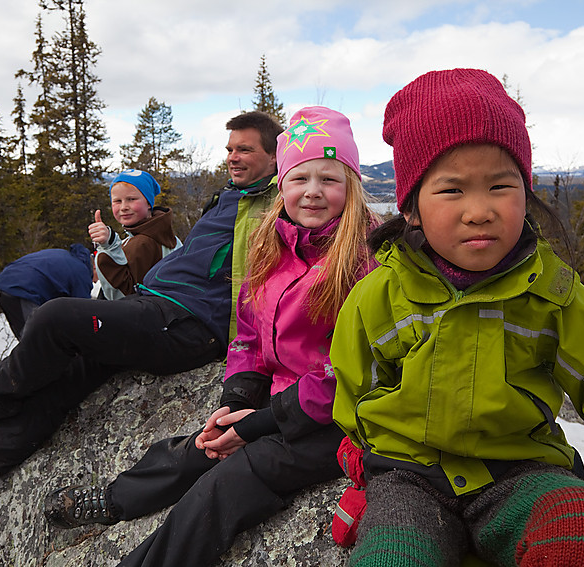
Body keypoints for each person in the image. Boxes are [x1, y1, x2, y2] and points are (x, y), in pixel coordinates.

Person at [0, 111, 284, 554]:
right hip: (150, 308)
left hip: (188, 323)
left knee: (54, 317)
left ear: (275, 155)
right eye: (229, 148)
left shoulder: (279, 205)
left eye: (245, 149)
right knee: (52, 387)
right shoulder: (229, 197)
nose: (232, 157)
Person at [330, 68, 584, 567]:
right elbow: (354, 395)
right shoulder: (378, 297)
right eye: (452, 190)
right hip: (410, 480)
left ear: (525, 191)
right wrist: (367, 473)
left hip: (525, 474)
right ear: (411, 208)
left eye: (500, 185)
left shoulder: (555, 298)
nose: (479, 211)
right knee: (394, 558)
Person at [41, 106, 379, 567]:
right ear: (283, 185)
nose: (313, 192)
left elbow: (346, 374)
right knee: (201, 444)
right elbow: (248, 335)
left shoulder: (366, 262)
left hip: (338, 420)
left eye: (330, 178)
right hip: (282, 402)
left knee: (229, 482)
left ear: (352, 186)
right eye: (301, 178)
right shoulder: (273, 245)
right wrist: (238, 394)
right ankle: (117, 499)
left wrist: (257, 425)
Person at [89, 168, 181, 300]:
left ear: (148, 203)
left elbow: (122, 298)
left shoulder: (144, 242)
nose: (124, 207)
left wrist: (108, 246)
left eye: (131, 199)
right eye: (117, 201)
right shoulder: (162, 233)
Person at [0, 243, 95, 339]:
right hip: (22, 291)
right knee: (37, 340)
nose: (99, 281)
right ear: (95, 267)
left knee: (28, 339)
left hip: (4, 285)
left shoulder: (66, 256)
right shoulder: (81, 272)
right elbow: (82, 311)